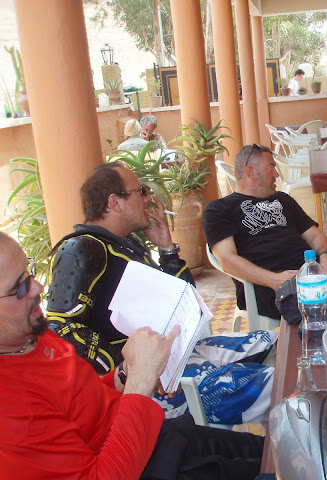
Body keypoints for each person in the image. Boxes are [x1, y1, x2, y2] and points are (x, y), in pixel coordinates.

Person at [0, 231, 264, 479]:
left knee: (272, 452)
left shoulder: (32, 335)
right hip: (139, 465)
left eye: (29, 273)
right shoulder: (10, 409)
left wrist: (125, 374)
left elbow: (81, 402)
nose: (37, 288)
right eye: (20, 287)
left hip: (153, 438)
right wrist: (140, 382)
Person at [47, 162, 277, 425]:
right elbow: (61, 330)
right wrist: (133, 366)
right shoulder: (80, 249)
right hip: (146, 385)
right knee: (273, 385)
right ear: (115, 202)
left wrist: (167, 249)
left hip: (177, 356)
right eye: (141, 192)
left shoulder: (125, 246)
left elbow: (187, 303)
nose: (148, 199)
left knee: (274, 341)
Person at [203, 144, 327, 320]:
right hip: (268, 288)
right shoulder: (219, 209)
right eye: (271, 168)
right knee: (322, 311)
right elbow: (227, 260)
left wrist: (326, 254)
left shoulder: (283, 200)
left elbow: (314, 235)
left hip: (310, 277)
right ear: (251, 172)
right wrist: (274, 279)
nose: (276, 174)